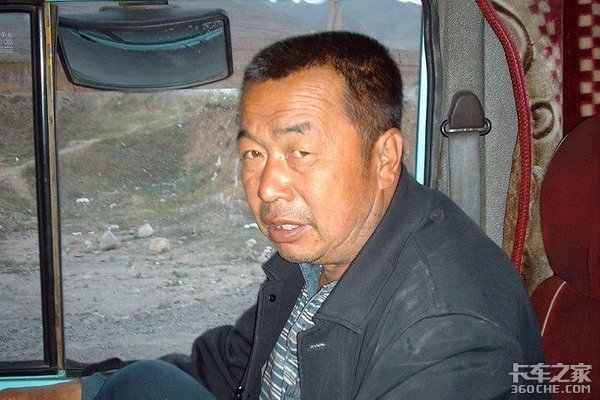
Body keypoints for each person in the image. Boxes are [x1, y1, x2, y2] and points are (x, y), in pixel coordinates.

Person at [0, 31, 547, 400]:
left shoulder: (449, 331)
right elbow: (237, 363)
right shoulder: (323, 251)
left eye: (299, 152)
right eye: (252, 153)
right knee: (139, 382)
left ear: (384, 158)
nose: (265, 186)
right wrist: (88, 389)